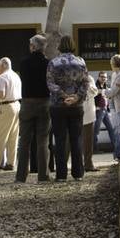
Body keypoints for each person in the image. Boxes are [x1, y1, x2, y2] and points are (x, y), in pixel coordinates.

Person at [46, 36, 88, 181]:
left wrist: (64, 96)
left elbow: (50, 84)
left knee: (60, 140)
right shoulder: (81, 62)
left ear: (60, 46)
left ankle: (61, 175)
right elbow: (85, 83)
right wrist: (76, 97)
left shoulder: (54, 62)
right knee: (76, 139)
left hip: (58, 105)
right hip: (76, 106)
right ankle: (78, 173)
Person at [15, 35, 51, 183]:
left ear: (33, 46)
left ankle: (21, 176)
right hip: (44, 101)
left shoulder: (24, 62)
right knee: (43, 140)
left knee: (24, 141)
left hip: (28, 102)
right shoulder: (48, 63)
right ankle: (43, 176)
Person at [81, 71, 99, 173]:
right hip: (77, 112)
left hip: (88, 114)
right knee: (72, 141)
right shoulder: (72, 77)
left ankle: (88, 164)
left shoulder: (89, 78)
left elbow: (94, 91)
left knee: (88, 141)